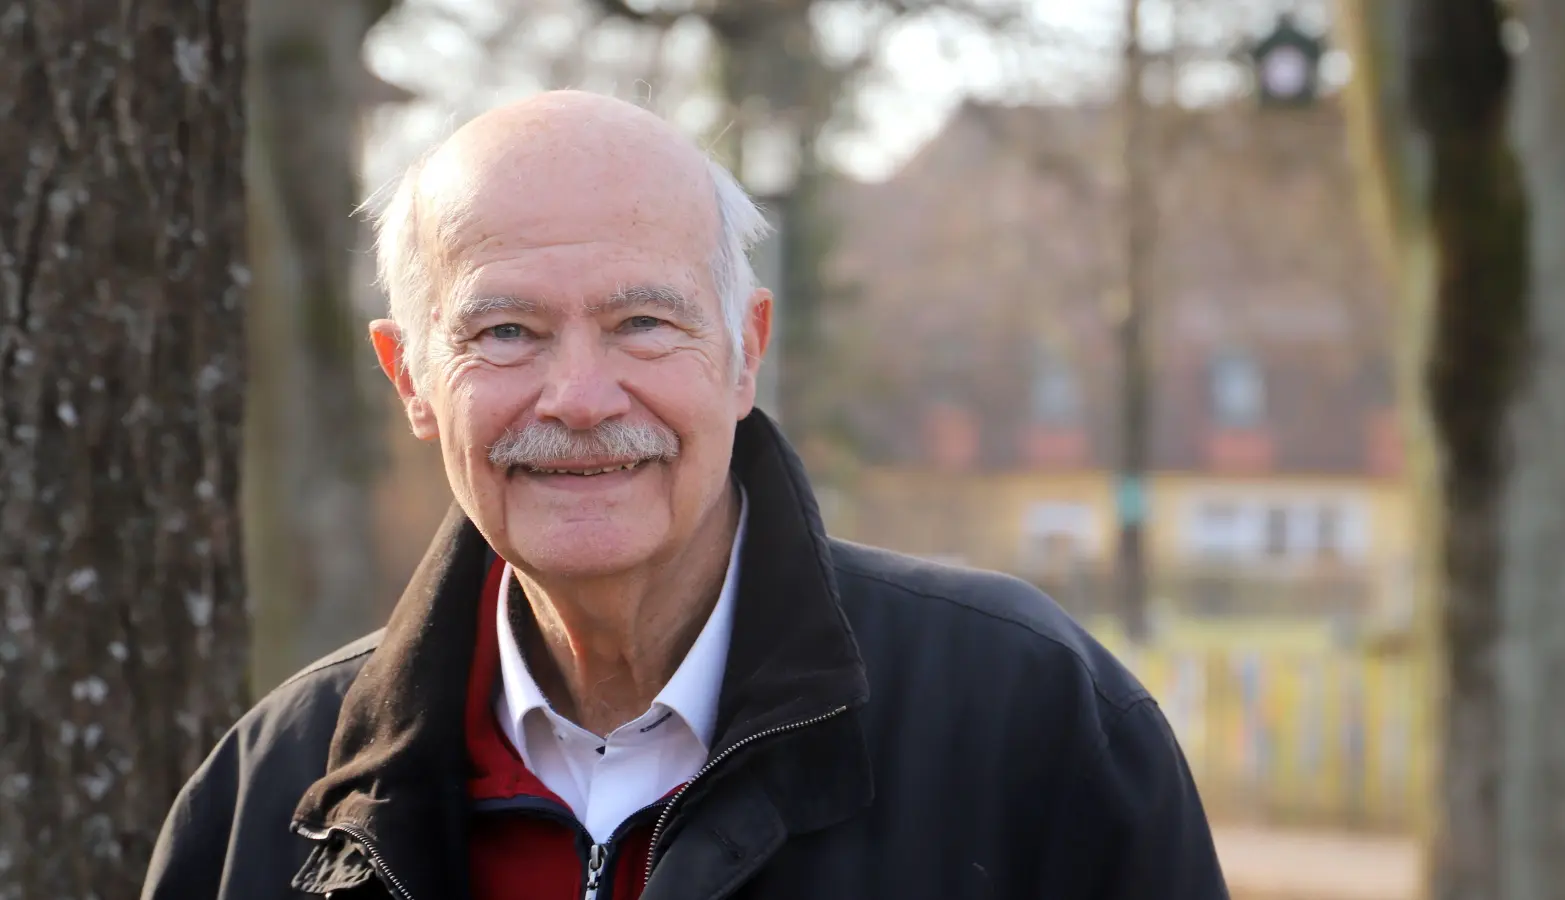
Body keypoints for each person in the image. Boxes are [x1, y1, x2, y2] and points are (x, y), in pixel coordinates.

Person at [141, 90, 1227, 900]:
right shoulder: (276, 792)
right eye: (505, 331)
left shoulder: (1031, 719)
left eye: (643, 324)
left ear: (744, 352)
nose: (575, 397)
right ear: (411, 380)